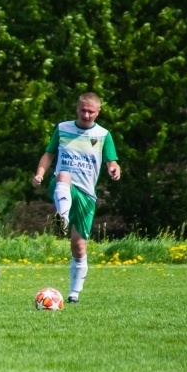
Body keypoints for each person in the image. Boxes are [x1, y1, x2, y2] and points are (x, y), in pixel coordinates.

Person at [32, 92, 120, 303]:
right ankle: (61, 217)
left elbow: (112, 161)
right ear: (77, 109)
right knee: (63, 174)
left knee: (79, 247)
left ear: (98, 112)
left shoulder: (103, 135)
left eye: (91, 111)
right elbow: (49, 154)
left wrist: (114, 169)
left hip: (87, 194)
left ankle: (74, 293)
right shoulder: (63, 129)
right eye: (83, 110)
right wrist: (40, 174)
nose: (86, 115)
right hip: (63, 186)